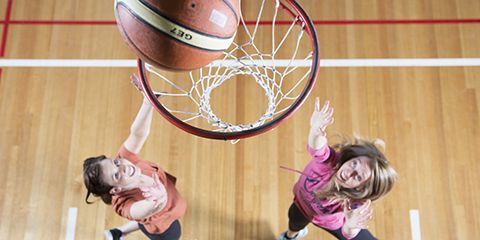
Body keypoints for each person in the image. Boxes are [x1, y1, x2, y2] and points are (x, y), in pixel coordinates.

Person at [83, 74, 186, 240]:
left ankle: (116, 233)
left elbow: (137, 134)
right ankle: (119, 233)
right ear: (116, 190)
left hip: (164, 207)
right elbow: (142, 210)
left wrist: (148, 102)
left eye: (116, 162)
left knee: (142, 222)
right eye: (117, 175)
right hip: (162, 228)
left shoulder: (126, 160)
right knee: (160, 230)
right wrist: (157, 200)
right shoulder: (124, 206)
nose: (122, 166)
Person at [278, 97, 397, 240]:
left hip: (330, 223)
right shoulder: (330, 161)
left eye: (358, 177)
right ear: (351, 158)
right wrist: (315, 130)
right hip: (302, 207)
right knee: (294, 224)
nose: (349, 172)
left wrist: (351, 226)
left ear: (360, 188)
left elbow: (348, 233)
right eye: (354, 163)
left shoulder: (354, 202)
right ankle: (290, 237)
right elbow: (317, 146)